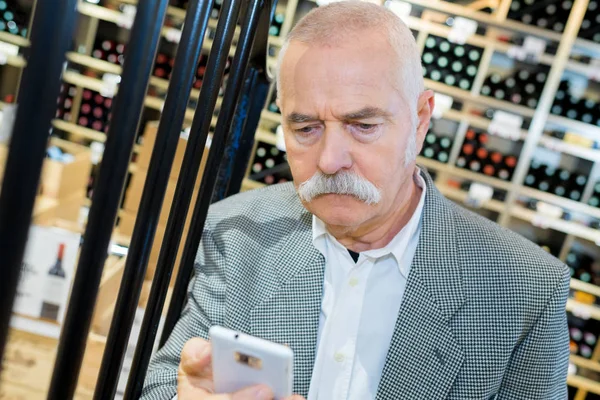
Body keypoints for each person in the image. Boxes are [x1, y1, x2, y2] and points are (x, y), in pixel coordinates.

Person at [141, 2, 570, 399]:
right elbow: (164, 382)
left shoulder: (525, 290)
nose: (329, 160)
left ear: (420, 122)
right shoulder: (234, 233)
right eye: (306, 128)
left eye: (362, 125)